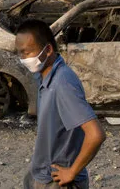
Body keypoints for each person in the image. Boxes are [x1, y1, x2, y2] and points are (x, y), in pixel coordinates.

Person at [16, 19, 106, 189]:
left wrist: (72, 171)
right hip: (42, 173)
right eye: (19, 53)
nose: (22, 59)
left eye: (26, 52)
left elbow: (96, 134)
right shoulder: (46, 76)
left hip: (57, 181)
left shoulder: (62, 83)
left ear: (48, 49)